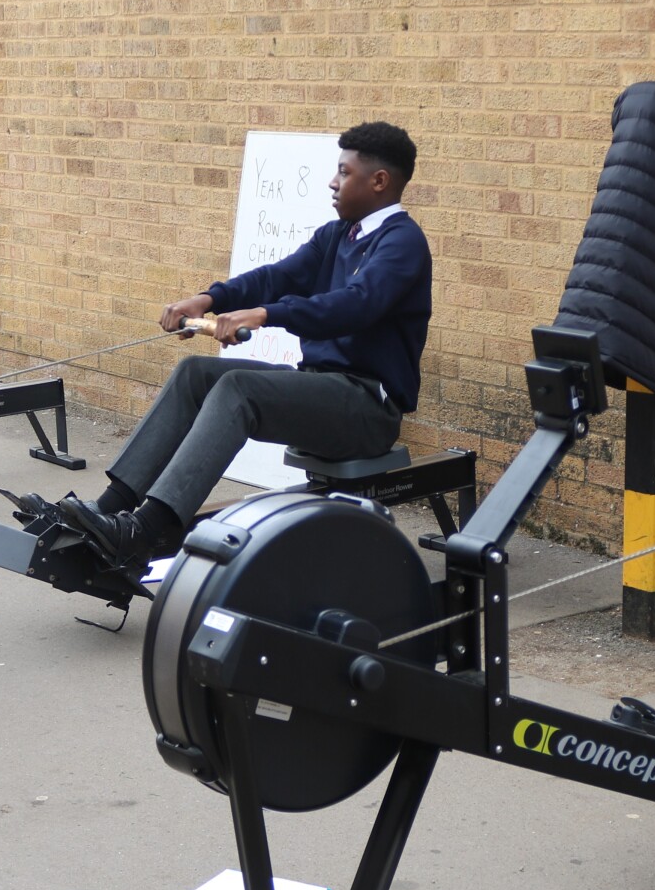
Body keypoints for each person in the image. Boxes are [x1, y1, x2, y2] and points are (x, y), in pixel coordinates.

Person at [50, 121, 431, 568]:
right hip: (324, 389)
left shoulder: (402, 242)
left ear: (379, 181)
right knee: (196, 373)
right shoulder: (337, 235)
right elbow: (276, 277)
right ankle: (108, 509)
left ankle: (144, 531)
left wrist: (266, 314)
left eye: (344, 172)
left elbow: (356, 305)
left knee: (238, 388)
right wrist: (210, 298)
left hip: (367, 408)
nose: (333, 181)